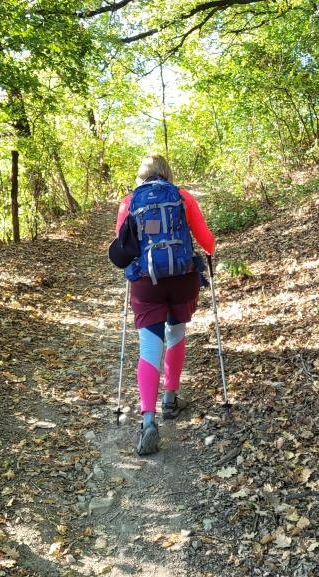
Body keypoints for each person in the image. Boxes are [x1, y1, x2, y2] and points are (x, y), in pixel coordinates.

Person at [114, 155, 215, 455]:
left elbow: (122, 248)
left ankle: (148, 420)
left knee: (149, 347)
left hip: (147, 283)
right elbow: (207, 242)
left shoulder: (129, 201)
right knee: (176, 333)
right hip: (182, 279)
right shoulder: (182, 197)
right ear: (167, 173)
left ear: (140, 176)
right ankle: (170, 398)